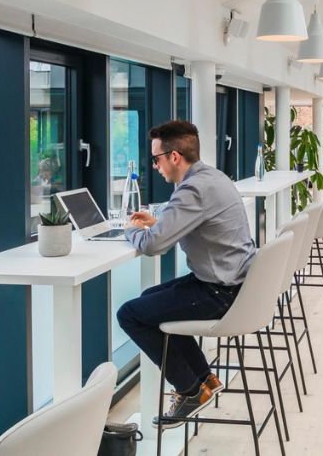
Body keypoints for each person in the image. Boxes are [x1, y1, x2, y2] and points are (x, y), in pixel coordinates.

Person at [116, 120, 255, 427]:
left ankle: (190, 389)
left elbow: (152, 246)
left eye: (156, 159)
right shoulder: (212, 177)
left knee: (130, 314)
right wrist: (158, 221)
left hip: (221, 292)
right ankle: (204, 379)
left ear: (174, 157)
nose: (155, 166)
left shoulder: (193, 189)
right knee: (149, 300)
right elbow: (184, 220)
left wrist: (129, 231)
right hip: (234, 282)